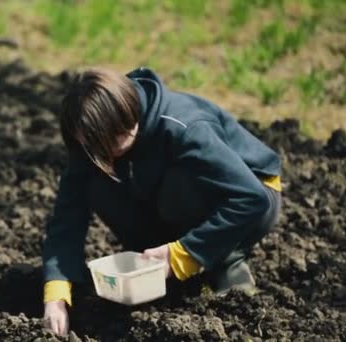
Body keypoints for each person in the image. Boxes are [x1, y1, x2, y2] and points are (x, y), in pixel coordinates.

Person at [41, 67, 282, 336]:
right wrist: (57, 292)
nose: (103, 151)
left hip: (254, 195)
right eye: (93, 146)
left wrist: (182, 255)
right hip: (171, 196)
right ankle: (163, 267)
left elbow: (250, 198)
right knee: (97, 183)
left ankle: (225, 264)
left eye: (112, 140)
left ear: (129, 115)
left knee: (178, 190)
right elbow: (67, 216)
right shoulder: (93, 139)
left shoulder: (184, 127)